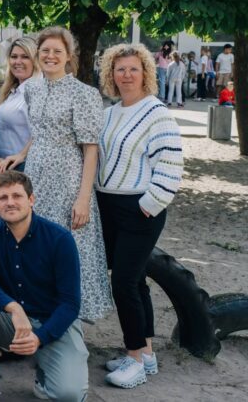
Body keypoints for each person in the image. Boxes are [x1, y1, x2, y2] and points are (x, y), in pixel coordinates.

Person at [96, 43, 183, 389]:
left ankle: (134, 359)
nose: (126, 75)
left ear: (146, 72)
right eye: (119, 69)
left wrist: (148, 206)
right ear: (110, 75)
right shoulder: (109, 113)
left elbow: (171, 167)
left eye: (133, 69)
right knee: (134, 281)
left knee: (123, 284)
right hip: (109, 207)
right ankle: (146, 353)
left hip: (140, 210)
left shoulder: (157, 113)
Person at [0, 171, 87, 402]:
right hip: (10, 321)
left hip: (53, 321)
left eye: (17, 196)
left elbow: (70, 304)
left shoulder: (60, 239)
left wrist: (40, 337)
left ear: (31, 200)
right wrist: (13, 308)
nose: (10, 202)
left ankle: (45, 375)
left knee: (69, 395)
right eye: (3, 198)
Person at [22, 26, 112, 322]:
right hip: (36, 175)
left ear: (69, 56)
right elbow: (38, 131)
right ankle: (38, 313)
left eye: (57, 51)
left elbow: (90, 149)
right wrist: (21, 154)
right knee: (35, 242)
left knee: (68, 245)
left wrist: (83, 198)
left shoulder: (83, 93)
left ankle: (68, 319)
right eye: (45, 50)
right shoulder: (32, 88)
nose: (50, 56)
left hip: (68, 178)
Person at [0, 37, 40, 171]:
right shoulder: (12, 91)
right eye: (14, 56)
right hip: (5, 168)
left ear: (35, 61)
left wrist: (21, 155)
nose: (18, 62)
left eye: (25, 57)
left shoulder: (37, 90)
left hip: (23, 168)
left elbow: (43, 132)